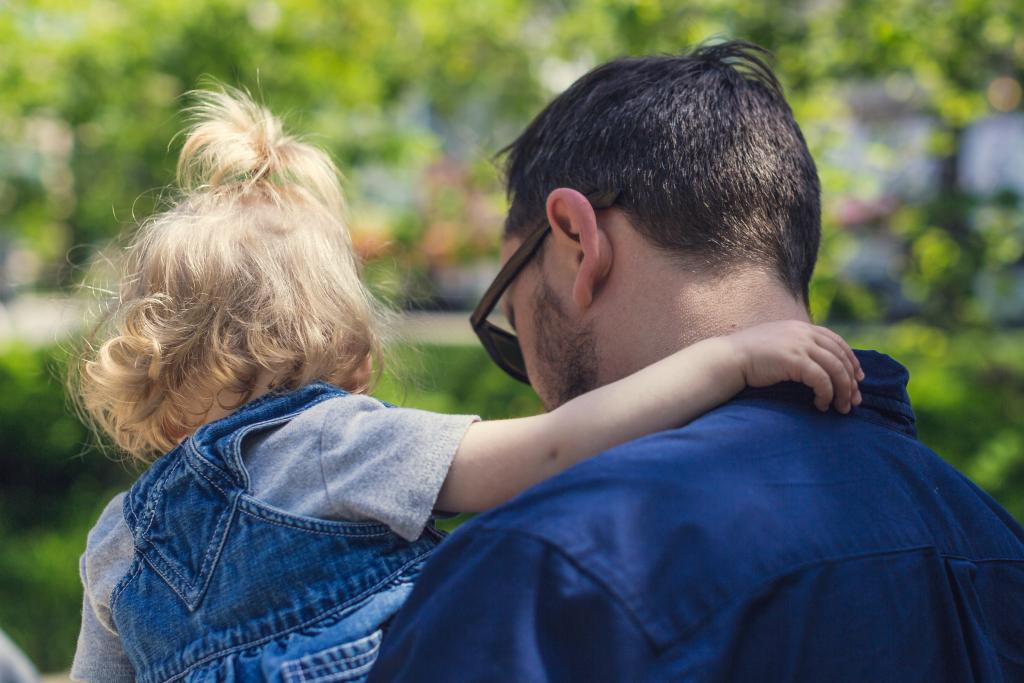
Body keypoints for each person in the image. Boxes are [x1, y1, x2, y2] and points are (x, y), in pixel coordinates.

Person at [67, 87, 862, 683]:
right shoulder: (336, 444)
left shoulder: (117, 538)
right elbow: (554, 447)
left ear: (147, 364)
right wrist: (728, 360)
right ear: (343, 339)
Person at [368, 41, 1024, 681]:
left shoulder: (553, 566)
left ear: (575, 239)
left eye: (512, 321)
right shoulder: (992, 539)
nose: (535, 383)